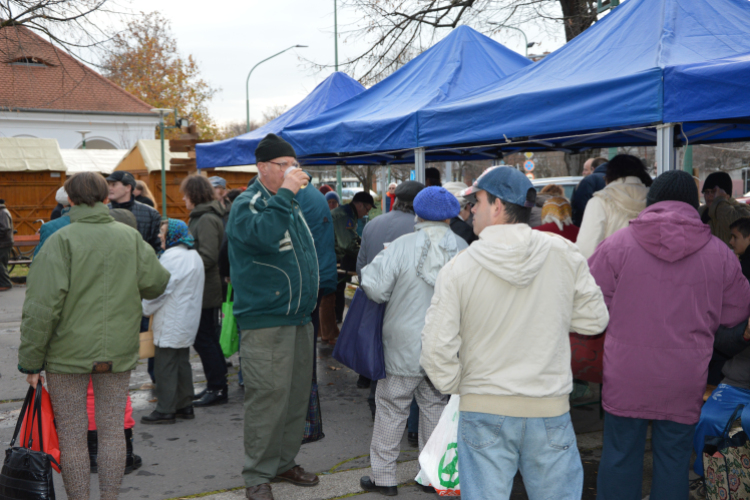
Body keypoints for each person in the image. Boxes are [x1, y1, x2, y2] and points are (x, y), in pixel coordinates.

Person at [420, 166, 609, 500]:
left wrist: (460, 386)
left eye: (476, 200)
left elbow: (436, 349)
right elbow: (594, 320)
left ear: (497, 206)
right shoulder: (563, 253)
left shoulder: (459, 267)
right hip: (549, 407)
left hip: (484, 408)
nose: (471, 209)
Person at [587, 170, 750, 500]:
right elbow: (736, 313)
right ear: (692, 204)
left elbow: (589, 307)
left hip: (626, 373)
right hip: (684, 375)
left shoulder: (616, 245)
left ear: (652, 202)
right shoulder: (720, 254)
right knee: (674, 461)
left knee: (619, 458)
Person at [18, 172, 170, 500]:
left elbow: (41, 307)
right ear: (106, 198)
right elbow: (157, 282)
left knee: (72, 437)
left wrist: (31, 360)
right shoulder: (129, 238)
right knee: (113, 431)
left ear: (69, 201)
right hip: (117, 350)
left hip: (66, 355)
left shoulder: (60, 240)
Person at [226, 133, 319, 500]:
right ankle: (257, 475)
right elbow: (264, 237)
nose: (293, 171)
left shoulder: (288, 203)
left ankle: (283, 462)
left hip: (297, 317)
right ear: (263, 168)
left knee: (295, 397)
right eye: (286, 165)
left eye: (295, 165)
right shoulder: (247, 204)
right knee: (267, 399)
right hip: (266, 319)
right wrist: (285, 196)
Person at [359, 186, 466, 496]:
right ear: (450, 215)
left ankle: (384, 478)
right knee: (434, 406)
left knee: (391, 409)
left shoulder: (401, 246)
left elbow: (376, 288)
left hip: (402, 345)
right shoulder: (462, 246)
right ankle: (432, 476)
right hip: (444, 346)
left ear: (415, 212)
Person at [356, 180, 425, 424]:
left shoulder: (372, 224)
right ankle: (414, 426)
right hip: (409, 305)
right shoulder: (419, 228)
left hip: (376, 300)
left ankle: (377, 400)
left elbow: (361, 267)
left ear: (395, 199)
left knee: (381, 355)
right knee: (412, 367)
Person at [141, 219, 204, 424]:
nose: (159, 235)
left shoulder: (172, 257)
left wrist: (144, 308)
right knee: (182, 362)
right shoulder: (193, 255)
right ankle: (185, 405)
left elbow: (160, 289)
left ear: (173, 235)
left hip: (171, 318)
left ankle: (165, 409)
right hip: (186, 318)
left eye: (163, 232)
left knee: (165, 365)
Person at [181, 175, 229, 407]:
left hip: (206, 288)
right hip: (201, 286)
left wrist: (182, 264)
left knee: (205, 340)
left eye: (185, 194)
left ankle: (218, 387)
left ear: (194, 195)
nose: (183, 199)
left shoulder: (207, 219)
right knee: (206, 339)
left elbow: (209, 256)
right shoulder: (202, 217)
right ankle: (215, 384)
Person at [576, 154, 652, 259]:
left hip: (609, 271)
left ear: (610, 175)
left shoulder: (600, 202)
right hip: (645, 270)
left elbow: (587, 247)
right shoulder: (653, 201)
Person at [332, 190, 374, 328]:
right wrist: (367, 256)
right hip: (333, 258)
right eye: (367, 209)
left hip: (334, 256)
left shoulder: (348, 213)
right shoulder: (345, 216)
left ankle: (334, 323)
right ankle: (334, 324)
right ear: (360, 205)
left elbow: (353, 237)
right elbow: (347, 245)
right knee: (335, 292)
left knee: (337, 290)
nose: (367, 213)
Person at [106, 171, 161, 252]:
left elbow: (157, 246)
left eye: (114, 184)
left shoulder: (151, 213)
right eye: (108, 184)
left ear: (128, 187)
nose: (109, 188)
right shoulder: (103, 211)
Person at [700, 171, 750, 246]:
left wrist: (720, 201)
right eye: (706, 192)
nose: (709, 196)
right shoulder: (702, 212)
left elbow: (737, 226)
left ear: (725, 194)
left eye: (713, 192)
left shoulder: (742, 210)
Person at [571, 157, 608, 226]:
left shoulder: (587, 181)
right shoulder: (617, 179)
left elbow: (579, 207)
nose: (583, 172)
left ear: (592, 169)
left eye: (585, 170)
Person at [0, 199, 12, 291]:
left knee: (0, 264)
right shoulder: (3, 211)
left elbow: (4, 228)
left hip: (3, 243)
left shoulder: (2, 212)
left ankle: (6, 284)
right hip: (4, 242)